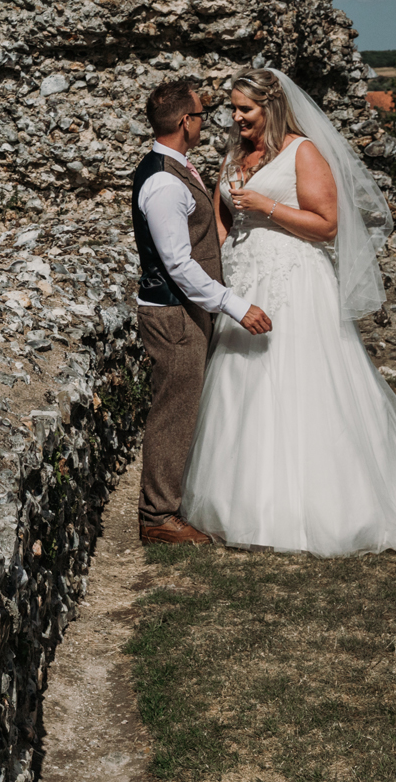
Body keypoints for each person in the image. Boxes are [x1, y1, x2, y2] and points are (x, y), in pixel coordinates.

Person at [181, 68, 396, 555]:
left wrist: (267, 205)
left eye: (244, 109)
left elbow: (328, 226)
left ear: (269, 107)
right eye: (231, 108)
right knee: (240, 384)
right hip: (245, 279)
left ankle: (329, 506)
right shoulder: (232, 154)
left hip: (295, 279)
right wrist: (212, 277)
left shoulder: (302, 152)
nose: (234, 117)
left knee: (299, 381)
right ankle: (241, 502)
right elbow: (222, 222)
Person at [131, 80, 272, 546]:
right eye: (200, 114)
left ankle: (167, 507)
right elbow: (178, 264)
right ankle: (158, 518)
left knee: (183, 408)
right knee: (174, 411)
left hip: (182, 312)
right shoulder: (163, 183)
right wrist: (236, 306)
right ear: (184, 123)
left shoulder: (173, 169)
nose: (206, 121)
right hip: (172, 315)